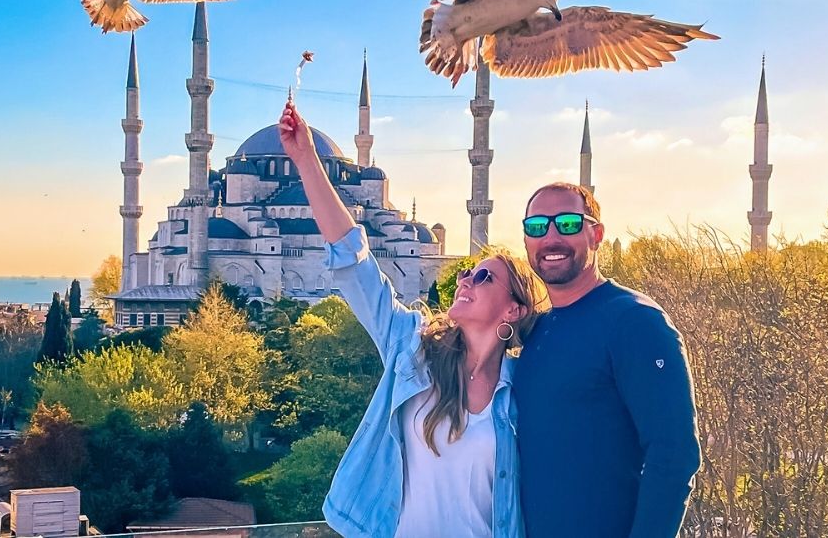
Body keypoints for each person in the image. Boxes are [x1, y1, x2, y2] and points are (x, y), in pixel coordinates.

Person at [278, 101, 548, 538]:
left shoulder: (523, 392)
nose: (464, 278)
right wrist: (307, 159)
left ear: (512, 309)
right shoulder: (413, 349)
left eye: (483, 276)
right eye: (465, 271)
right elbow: (355, 261)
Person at [513, 182, 701, 538]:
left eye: (567, 223)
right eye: (537, 226)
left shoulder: (634, 321)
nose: (551, 237)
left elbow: (673, 455)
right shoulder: (539, 330)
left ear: (596, 234)